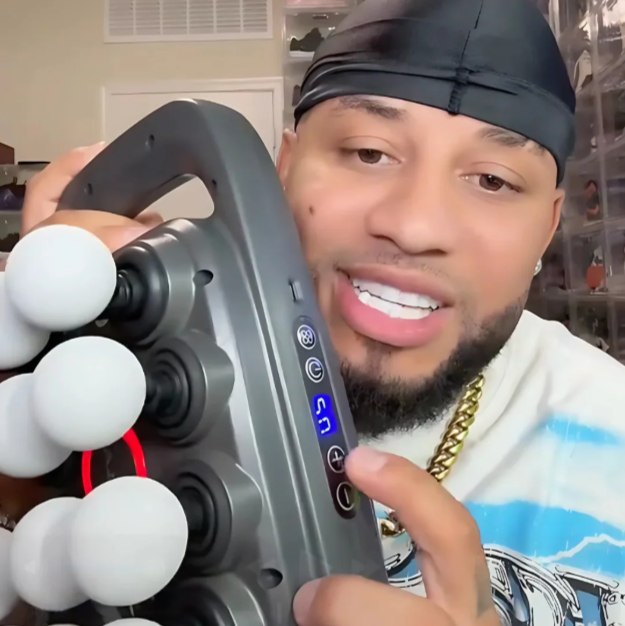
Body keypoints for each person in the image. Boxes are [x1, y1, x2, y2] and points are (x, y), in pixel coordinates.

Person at [3, 0, 625, 624]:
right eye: (369, 153)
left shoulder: (610, 434)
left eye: (493, 180)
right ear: (284, 170)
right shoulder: (130, 357)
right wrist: (45, 380)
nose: (414, 227)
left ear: (548, 227)